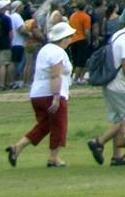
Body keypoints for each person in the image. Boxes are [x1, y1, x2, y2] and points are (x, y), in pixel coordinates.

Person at [87, 2, 125, 166]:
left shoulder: (118, 35)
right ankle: (99, 142)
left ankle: (117, 156)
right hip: (120, 83)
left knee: (119, 120)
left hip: (110, 81)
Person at [7, 17, 75, 167]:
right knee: (59, 125)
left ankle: (17, 147)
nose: (70, 40)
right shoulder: (58, 52)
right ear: (63, 38)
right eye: (69, 37)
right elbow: (55, 75)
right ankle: (54, 158)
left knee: (45, 125)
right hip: (50, 93)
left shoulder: (45, 49)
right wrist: (56, 97)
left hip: (37, 94)